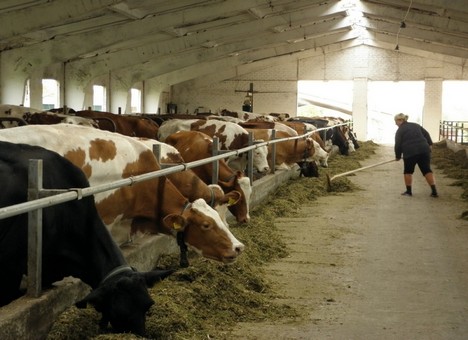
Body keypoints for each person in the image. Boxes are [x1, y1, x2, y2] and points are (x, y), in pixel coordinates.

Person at [394, 113, 438, 197]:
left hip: (410, 152)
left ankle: (408, 192)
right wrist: (430, 145)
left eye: (395, 121)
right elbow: (426, 134)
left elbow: (398, 144)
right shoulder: (416, 125)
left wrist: (398, 156)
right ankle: (434, 192)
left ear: (400, 120)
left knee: (408, 171)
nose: (395, 124)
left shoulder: (400, 130)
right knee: (427, 170)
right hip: (424, 150)